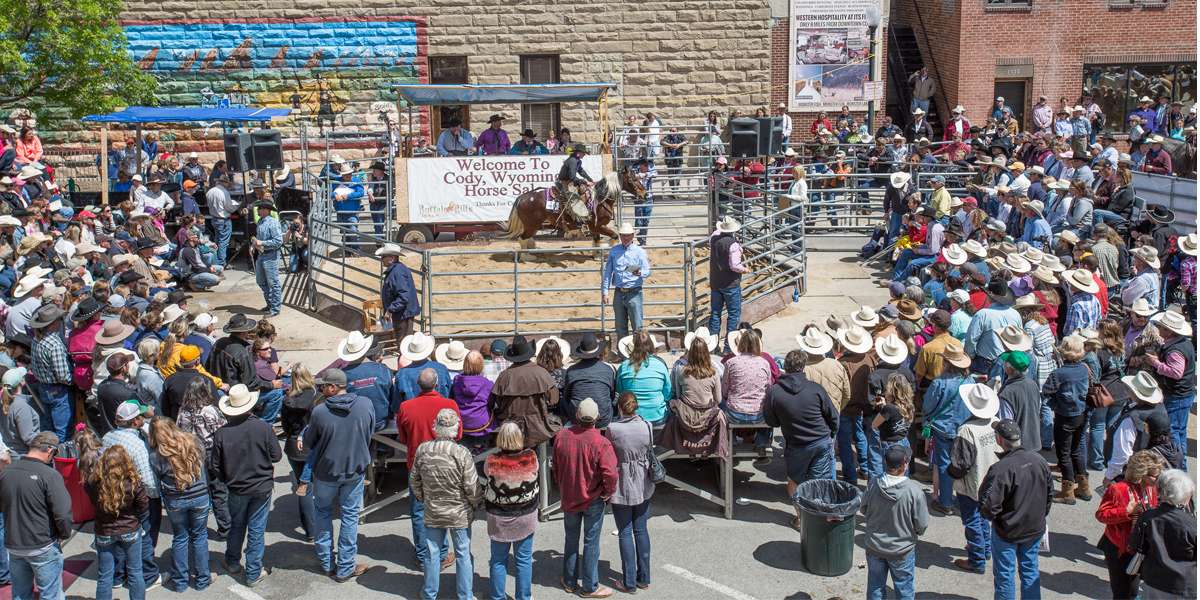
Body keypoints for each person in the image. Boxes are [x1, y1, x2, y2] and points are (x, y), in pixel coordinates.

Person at [304, 368, 374, 583]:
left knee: (323, 512)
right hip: (355, 470)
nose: (320, 389)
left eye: (322, 386)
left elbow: (309, 442)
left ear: (333, 388)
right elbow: (369, 432)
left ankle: (326, 563)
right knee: (350, 516)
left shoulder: (320, 412)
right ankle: (345, 566)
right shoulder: (365, 404)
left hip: (326, 472)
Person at [211, 384, 282, 587]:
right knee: (256, 530)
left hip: (236, 488)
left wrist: (228, 479)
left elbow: (215, 466)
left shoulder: (222, 433)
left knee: (237, 525)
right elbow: (276, 456)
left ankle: (232, 561)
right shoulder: (263, 427)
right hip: (261, 487)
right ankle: (253, 571)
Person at [410, 408, 481, 600]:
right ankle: (465, 596)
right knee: (463, 554)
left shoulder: (423, 449)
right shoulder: (461, 453)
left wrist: (423, 499)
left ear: (436, 427)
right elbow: (472, 486)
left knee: (432, 553)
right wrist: (475, 505)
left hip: (433, 510)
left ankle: (429, 593)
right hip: (459, 512)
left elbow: (414, 480)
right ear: (456, 428)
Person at [764, 349, 838, 529]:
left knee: (794, 481)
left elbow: (770, 420)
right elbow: (833, 416)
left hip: (796, 445)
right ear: (803, 367)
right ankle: (818, 520)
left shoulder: (774, 392)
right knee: (818, 482)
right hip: (820, 441)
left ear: (785, 367)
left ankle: (801, 518)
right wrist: (831, 435)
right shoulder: (816, 389)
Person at [978, 419, 1052, 600]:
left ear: (999, 440)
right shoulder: (1039, 460)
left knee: (1005, 576)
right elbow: (1049, 494)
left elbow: (987, 507)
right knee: (1030, 571)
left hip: (1008, 532)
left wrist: (999, 519)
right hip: (1034, 528)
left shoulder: (1000, 469)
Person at [552, 398, 617, 598]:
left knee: (571, 539)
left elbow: (555, 466)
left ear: (577, 416)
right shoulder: (601, 442)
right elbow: (611, 473)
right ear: (597, 417)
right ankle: (589, 586)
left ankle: (570, 581)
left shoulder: (562, 436)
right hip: (593, 498)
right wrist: (608, 491)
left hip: (570, 495)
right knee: (591, 542)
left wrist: (562, 484)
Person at [396, 368, 459, 570]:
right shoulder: (449, 405)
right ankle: (440, 553)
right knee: (443, 509)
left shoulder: (406, 407)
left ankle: (423, 556)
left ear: (418, 385)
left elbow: (404, 438)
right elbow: (457, 436)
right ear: (437, 384)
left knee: (418, 511)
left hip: (417, 464)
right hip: (445, 464)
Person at [0, 431, 72, 600]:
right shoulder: (50, 475)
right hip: (42, 545)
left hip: (14, 546)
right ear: (49, 451)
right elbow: (64, 514)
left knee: (20, 594)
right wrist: (63, 534)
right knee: (51, 595)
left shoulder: (6, 472)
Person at [147, 417, 211, 593]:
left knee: (180, 538)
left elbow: (157, 479)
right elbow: (204, 463)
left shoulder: (155, 455)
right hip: (199, 496)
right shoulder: (193, 442)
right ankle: (203, 579)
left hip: (175, 500)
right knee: (199, 537)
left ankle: (180, 582)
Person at [1096, 450, 1167, 600]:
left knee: (1133, 592)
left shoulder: (1151, 489)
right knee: (1122, 594)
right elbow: (1101, 515)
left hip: (1138, 549)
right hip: (1119, 550)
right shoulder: (1118, 489)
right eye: (1154, 476)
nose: (1157, 479)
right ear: (1141, 473)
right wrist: (1126, 512)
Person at [947, 384, 1002, 574]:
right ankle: (985, 549)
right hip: (991, 481)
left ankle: (977, 559)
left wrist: (951, 474)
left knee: (972, 520)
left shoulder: (967, 430)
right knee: (984, 518)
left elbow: (960, 464)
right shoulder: (995, 421)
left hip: (972, 483)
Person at [861, 445, 928, 600]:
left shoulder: (873, 484)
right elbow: (922, 524)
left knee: (875, 587)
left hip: (874, 547)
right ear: (905, 465)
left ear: (885, 462)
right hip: (902, 551)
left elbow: (864, 509)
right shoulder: (914, 492)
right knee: (904, 589)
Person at [85, 444, 149, 600]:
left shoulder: (93, 481)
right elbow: (144, 505)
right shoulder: (131, 482)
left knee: (105, 574)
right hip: (130, 529)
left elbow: (88, 491)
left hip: (104, 530)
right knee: (135, 572)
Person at [484, 422, 539, 600]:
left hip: (499, 517)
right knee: (523, 561)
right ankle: (524, 597)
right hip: (525, 516)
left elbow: (487, 475)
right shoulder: (531, 456)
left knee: (498, 560)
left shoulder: (491, 460)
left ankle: (497, 597)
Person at [606, 392, 654, 594]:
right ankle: (643, 577)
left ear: (619, 408)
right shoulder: (647, 426)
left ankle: (629, 581)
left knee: (625, 531)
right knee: (641, 529)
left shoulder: (612, 428)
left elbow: (609, 454)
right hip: (644, 481)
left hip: (623, 481)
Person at [1127, 469, 1197, 599]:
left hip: (1153, 580)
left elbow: (1133, 544)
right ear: (1185, 495)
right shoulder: (1193, 524)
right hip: (1183, 585)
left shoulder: (1147, 517)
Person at [1044, 335, 1092, 504]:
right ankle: (1084, 488)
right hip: (1081, 414)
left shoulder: (1059, 373)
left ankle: (1067, 491)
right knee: (1075, 450)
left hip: (1065, 416)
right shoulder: (1084, 368)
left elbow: (1046, 390)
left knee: (1063, 453)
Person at [491, 335, 561, 447]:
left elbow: (499, 402)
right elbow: (554, 400)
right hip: (538, 427)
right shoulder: (542, 373)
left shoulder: (504, 376)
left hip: (511, 427)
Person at [1148, 308, 1194, 471]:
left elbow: (1175, 372)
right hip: (1182, 394)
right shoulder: (1182, 343)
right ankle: (1181, 464)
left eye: (1161, 327)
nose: (1158, 329)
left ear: (1169, 331)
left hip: (1176, 395)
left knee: (1174, 430)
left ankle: (1178, 465)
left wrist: (1156, 363)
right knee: (1179, 430)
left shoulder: (1175, 350)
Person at [29, 304, 73, 441]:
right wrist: (74, 380)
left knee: (48, 425)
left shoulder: (37, 340)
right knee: (63, 430)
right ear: (54, 324)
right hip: (58, 390)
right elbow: (63, 376)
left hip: (44, 387)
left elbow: (35, 368)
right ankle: (60, 458)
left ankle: (46, 454)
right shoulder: (55, 344)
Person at [602, 223, 650, 343]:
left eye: (628, 235)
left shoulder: (640, 252)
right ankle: (622, 353)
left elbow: (647, 271)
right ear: (620, 236)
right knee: (620, 326)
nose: (626, 238)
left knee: (637, 327)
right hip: (619, 292)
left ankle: (638, 354)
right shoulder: (614, 251)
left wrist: (640, 273)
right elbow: (607, 272)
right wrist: (605, 292)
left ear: (632, 236)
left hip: (634, 291)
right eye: (624, 235)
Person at [617, 330, 672, 427]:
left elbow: (622, 392)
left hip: (630, 416)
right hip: (658, 417)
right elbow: (667, 394)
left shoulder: (624, 366)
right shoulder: (660, 365)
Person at [708, 217, 746, 352]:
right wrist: (744, 269)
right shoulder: (733, 244)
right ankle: (729, 346)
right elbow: (735, 265)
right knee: (733, 314)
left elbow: (714, 235)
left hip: (716, 281)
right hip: (730, 283)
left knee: (715, 313)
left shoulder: (714, 240)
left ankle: (712, 344)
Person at [564, 333, 618, 429]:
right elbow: (611, 395)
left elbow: (567, 396)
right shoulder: (608, 369)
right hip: (602, 418)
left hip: (578, 418)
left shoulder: (571, 371)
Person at [377, 243, 420, 350]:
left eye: (383, 257)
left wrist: (390, 310)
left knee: (403, 344)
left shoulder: (397, 272)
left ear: (391, 258)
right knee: (404, 343)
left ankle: (404, 365)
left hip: (402, 316)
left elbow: (403, 297)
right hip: (403, 314)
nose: (382, 259)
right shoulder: (397, 270)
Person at [449, 350, 495, 448]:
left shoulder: (457, 380)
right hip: (481, 424)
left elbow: (452, 398)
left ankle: (464, 450)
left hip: (461, 422)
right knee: (485, 415)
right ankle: (479, 447)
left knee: (468, 420)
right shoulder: (488, 384)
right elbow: (490, 404)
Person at [996, 351, 1041, 450]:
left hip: (1017, 448)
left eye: (1005, 363)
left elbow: (1005, 423)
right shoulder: (1033, 384)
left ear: (1009, 369)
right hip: (1034, 442)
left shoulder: (1007, 392)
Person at [249, 200, 283, 316]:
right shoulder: (260, 222)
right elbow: (259, 237)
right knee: (261, 281)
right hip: (263, 254)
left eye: (259, 209)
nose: (257, 211)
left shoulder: (273, 223)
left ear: (265, 210)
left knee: (273, 282)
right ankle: (271, 304)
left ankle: (275, 308)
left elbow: (278, 241)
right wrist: (254, 245)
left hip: (271, 254)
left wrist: (261, 243)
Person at [0, 367, 38, 456]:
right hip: (24, 456)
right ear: (21, 382)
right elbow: (28, 437)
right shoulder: (21, 407)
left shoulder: (4, 402)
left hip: (10, 453)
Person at [205, 176, 238, 267]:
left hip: (215, 218)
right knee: (223, 241)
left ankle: (217, 260)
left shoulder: (210, 191)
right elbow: (229, 208)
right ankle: (222, 262)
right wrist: (236, 207)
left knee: (217, 239)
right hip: (223, 219)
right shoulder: (224, 192)